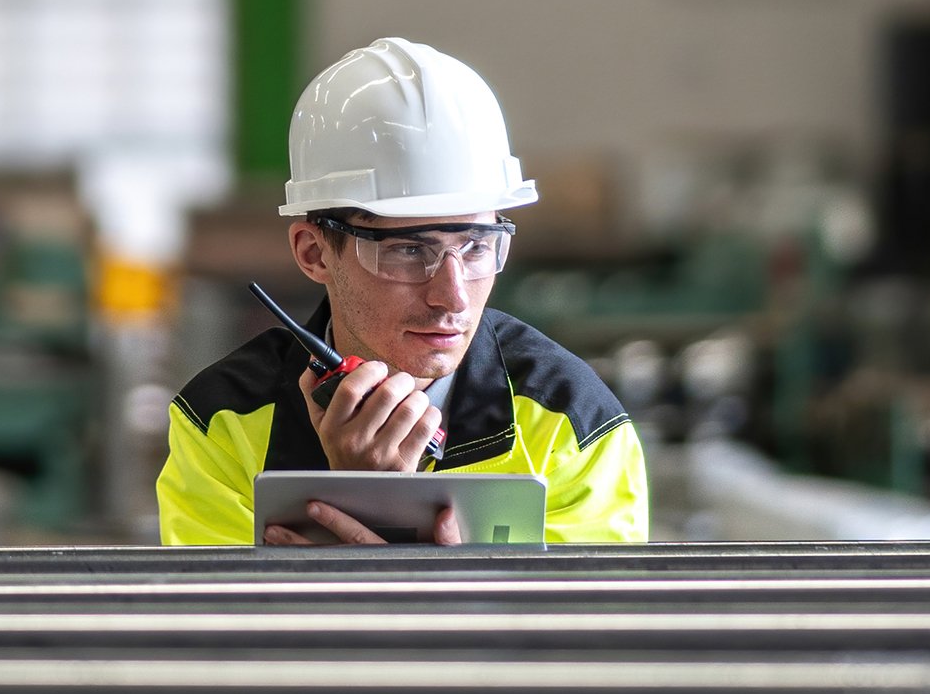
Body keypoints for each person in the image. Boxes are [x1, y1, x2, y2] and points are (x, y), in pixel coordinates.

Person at [157, 38, 648, 546]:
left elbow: (591, 624)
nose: (453, 297)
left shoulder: (573, 423)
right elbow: (218, 625)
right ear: (314, 252)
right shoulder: (222, 423)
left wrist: (397, 568)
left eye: (477, 247)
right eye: (409, 251)